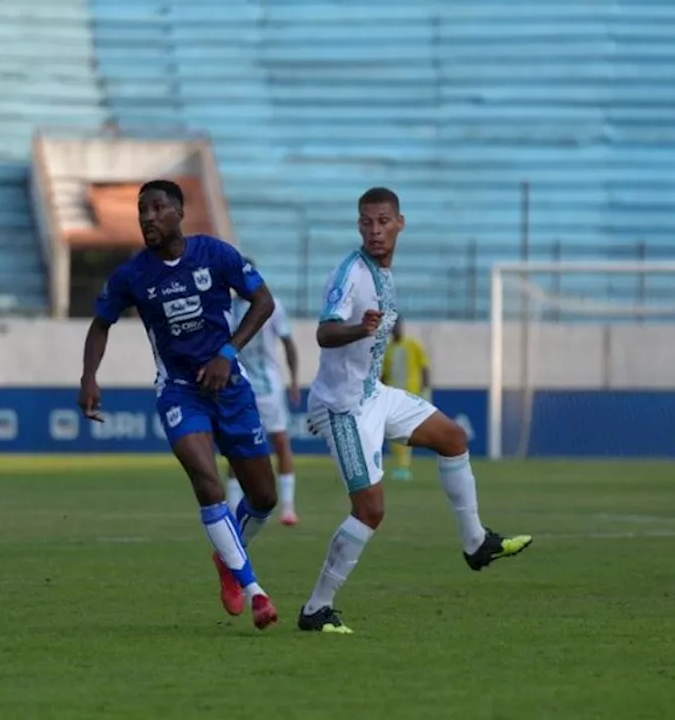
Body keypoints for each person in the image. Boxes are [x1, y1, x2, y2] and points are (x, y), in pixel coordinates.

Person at [298, 187, 532, 635]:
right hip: (343, 406)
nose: (375, 230)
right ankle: (315, 609)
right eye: (366, 221)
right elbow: (325, 334)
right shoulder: (350, 274)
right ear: (358, 224)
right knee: (370, 510)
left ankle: (476, 542)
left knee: (453, 439)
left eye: (383, 221)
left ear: (400, 223)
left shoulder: (384, 273)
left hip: (373, 393)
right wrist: (356, 330)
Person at [78, 179, 280, 630]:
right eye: (141, 210)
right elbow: (100, 324)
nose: (147, 217)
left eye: (157, 208)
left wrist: (228, 354)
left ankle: (227, 559)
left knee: (264, 497)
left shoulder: (216, 255)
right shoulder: (133, 275)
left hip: (230, 389)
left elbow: (263, 302)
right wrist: (89, 375)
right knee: (207, 481)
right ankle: (255, 592)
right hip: (179, 392)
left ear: (179, 213)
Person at [225, 270, 302, 525]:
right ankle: (234, 508)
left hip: (269, 387)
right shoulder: (229, 308)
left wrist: (293, 380)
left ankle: (288, 507)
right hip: (239, 385)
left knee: (280, 441)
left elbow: (288, 343)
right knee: (236, 446)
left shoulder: (273, 305)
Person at [381, 316, 431, 481]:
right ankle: (400, 466)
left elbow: (424, 367)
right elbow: (384, 374)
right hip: (392, 396)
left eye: (397, 325)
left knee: (403, 431)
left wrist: (425, 389)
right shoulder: (388, 349)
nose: (395, 329)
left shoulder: (412, 344)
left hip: (410, 395)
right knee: (393, 433)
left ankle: (403, 468)